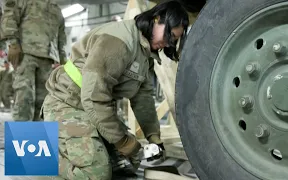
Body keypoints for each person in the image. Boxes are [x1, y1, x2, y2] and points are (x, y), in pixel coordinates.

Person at [42, 0, 189, 179]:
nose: (168, 44)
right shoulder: (118, 42)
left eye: (173, 40)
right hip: (66, 105)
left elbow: (143, 99)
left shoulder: (145, 53)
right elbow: (93, 98)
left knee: (131, 159)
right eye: (169, 35)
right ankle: (33, 152)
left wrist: (154, 138)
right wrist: (122, 141)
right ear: (157, 19)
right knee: (97, 173)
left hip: (91, 109)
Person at [0, 0, 67, 121]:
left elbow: (61, 37)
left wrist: (64, 62)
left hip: (48, 59)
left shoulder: (56, 9)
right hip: (26, 54)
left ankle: (38, 137)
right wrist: (13, 44)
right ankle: (22, 136)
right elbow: (10, 17)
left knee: (43, 103)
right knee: (24, 99)